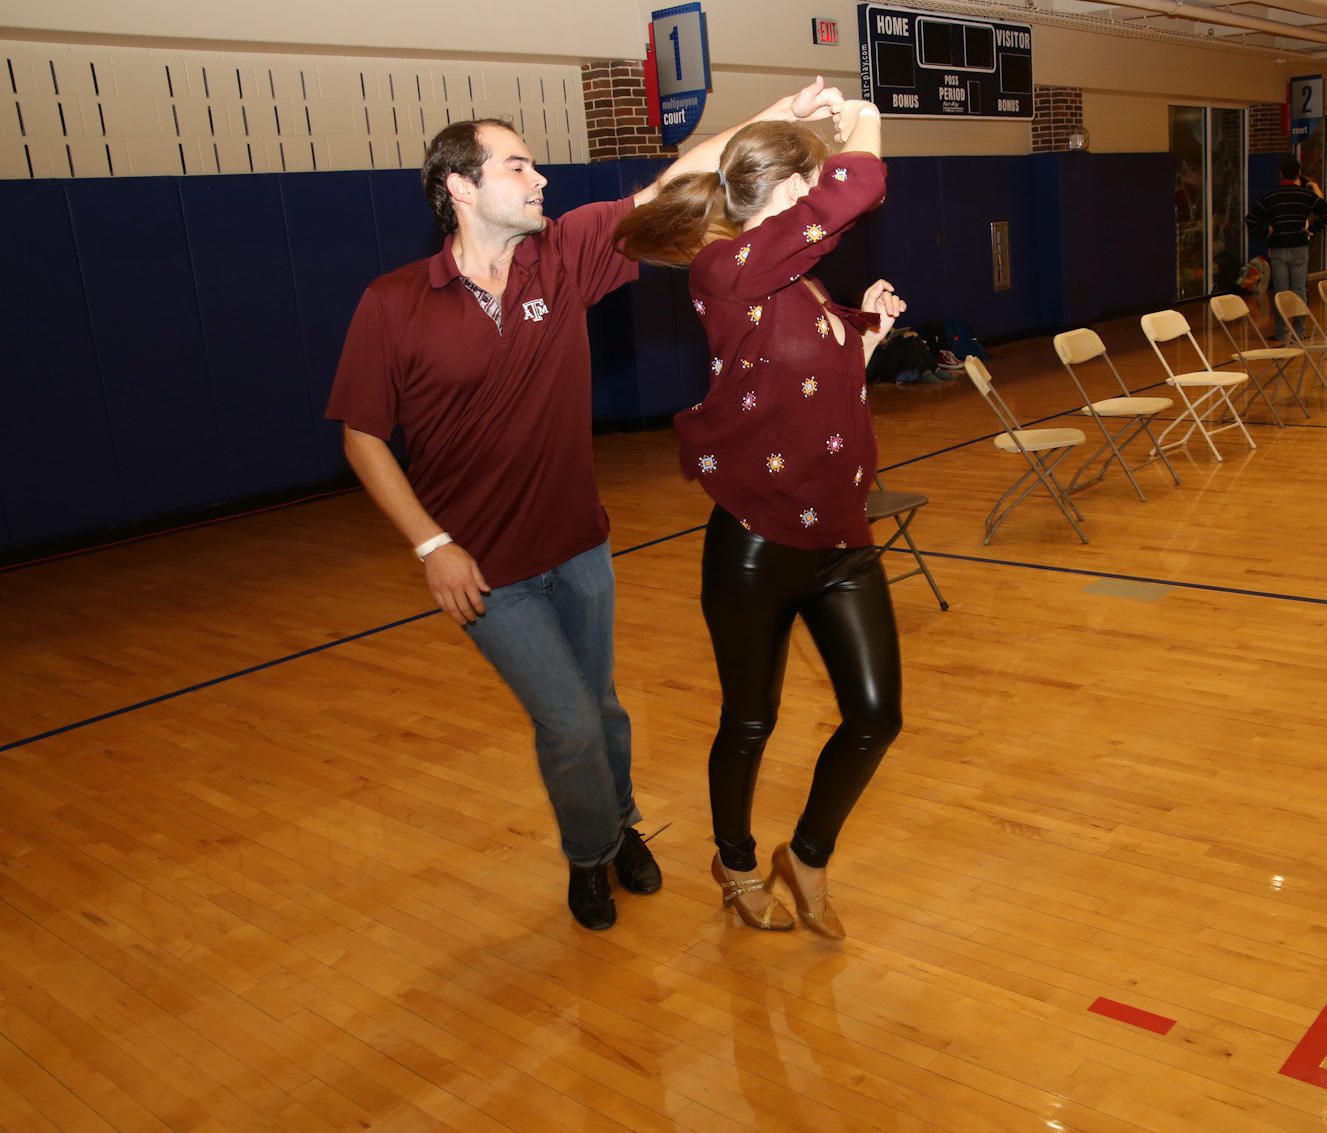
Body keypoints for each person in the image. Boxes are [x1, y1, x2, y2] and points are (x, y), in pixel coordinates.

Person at [325, 78, 847, 932]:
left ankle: (622, 823)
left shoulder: (560, 256)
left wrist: (778, 116)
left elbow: (674, 184)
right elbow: (362, 437)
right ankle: (590, 854)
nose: (540, 178)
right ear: (460, 187)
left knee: (602, 706)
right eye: (517, 165)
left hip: (580, 545)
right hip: (486, 571)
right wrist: (430, 545)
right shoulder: (392, 304)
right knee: (567, 721)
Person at [614, 99, 902, 940]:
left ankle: (806, 854)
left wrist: (871, 335)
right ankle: (735, 860)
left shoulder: (796, 279)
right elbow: (859, 184)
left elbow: (814, 381)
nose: (822, 197)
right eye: (812, 181)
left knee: (876, 715)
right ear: (790, 186)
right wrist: (863, 115)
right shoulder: (725, 268)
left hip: (840, 538)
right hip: (756, 541)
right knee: (750, 718)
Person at [1245, 155, 1327, 342]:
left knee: (1281, 292)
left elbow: (1251, 219)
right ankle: (1299, 332)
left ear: (1281, 174)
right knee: (1299, 290)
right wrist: (1312, 230)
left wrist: (1266, 233)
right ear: (1298, 173)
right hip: (1299, 246)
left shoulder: (1271, 196)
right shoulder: (1305, 195)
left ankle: (1280, 332)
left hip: (1278, 248)